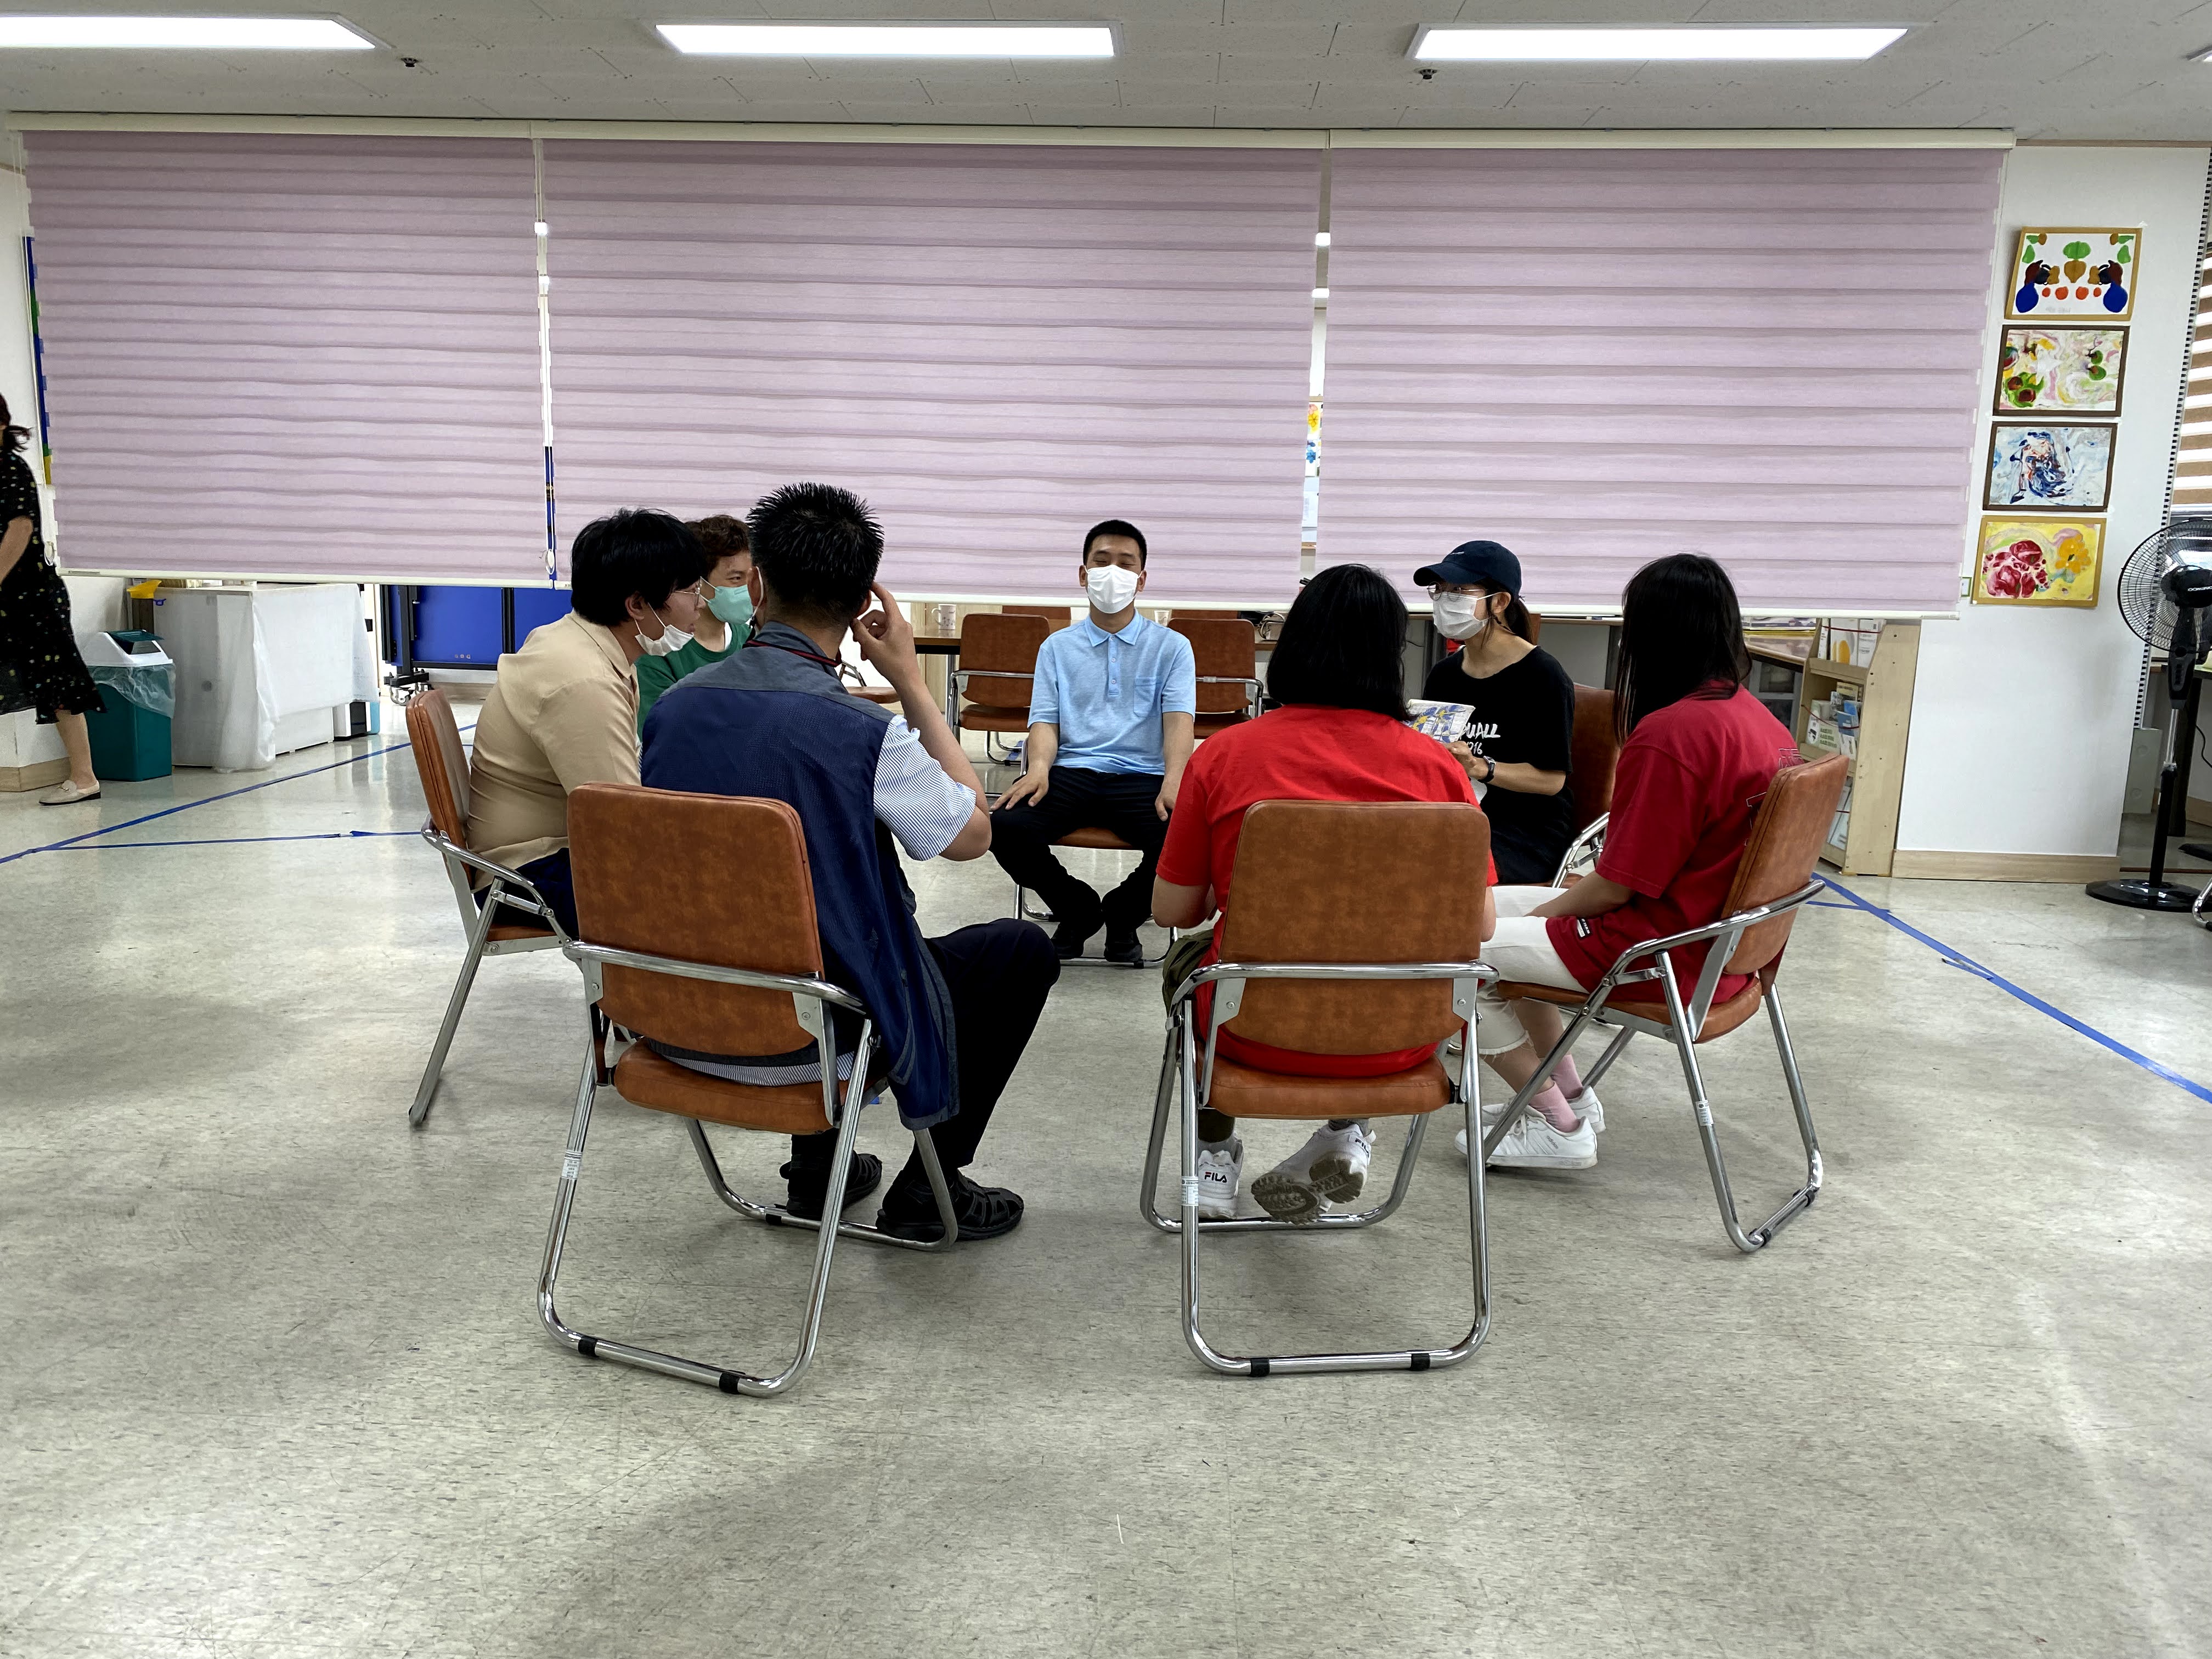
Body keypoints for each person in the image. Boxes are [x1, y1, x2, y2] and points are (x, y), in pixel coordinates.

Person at [641, 482, 1056, 1243]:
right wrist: (911, 683)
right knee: (1017, 952)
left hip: (671, 1014)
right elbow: (973, 835)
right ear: (864, 600)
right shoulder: (864, 733)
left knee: (779, 907)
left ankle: (817, 1168)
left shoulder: (673, 709)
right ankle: (930, 1191)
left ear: (756, 586)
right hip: (807, 1032)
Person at [1150, 563, 1497, 1224]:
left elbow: (1173, 910)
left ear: (1293, 646)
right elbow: (1477, 925)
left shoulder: (1225, 755)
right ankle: (1348, 1130)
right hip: (1406, 1036)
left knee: (1189, 966)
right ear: (1391, 657)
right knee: (1377, 959)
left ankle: (1214, 1157)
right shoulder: (1438, 769)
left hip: (1250, 1029)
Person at [1470, 552, 1802, 1172]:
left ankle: (1557, 1124)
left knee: (1452, 954)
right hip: (1720, 951)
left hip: (1658, 954)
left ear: (1649, 635)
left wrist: (1545, 914)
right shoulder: (1759, 721)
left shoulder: (1672, 734)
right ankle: (1569, 1092)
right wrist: (1543, 912)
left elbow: (1615, 888)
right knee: (1480, 911)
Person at [465, 508, 708, 937]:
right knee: (719, 894)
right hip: (528, 874)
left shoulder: (580, 640)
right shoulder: (583, 682)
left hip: (552, 850)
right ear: (637, 605)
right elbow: (624, 823)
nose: (701, 604)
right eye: (691, 591)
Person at [989, 519, 1198, 964]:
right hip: (1071, 773)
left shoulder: (1172, 647)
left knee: (1191, 835)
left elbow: (1179, 722)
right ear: (1084, 575)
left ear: (1142, 579)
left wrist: (1175, 779)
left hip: (1143, 776)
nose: (1113, 573)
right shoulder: (1057, 647)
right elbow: (1045, 720)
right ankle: (1077, 909)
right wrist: (1038, 769)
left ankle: (1124, 914)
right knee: (1003, 826)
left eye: (1126, 564)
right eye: (1102, 562)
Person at [1419, 540, 1579, 885]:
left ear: (1500, 602)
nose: (1445, 600)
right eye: (1440, 590)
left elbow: (1552, 780)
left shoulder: (1542, 676)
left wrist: (1480, 767)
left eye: (1459, 591)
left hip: (1526, 835)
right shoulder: (1444, 675)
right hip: (1461, 817)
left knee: (1438, 867)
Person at [0, 395, 106, 806]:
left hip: (33, 598)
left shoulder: (11, 468)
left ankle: (84, 777)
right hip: (10, 598)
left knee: (58, 684)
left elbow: (20, 528)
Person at [633, 513, 759, 727]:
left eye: (752, 578)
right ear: (699, 581)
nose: (748, 589)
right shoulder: (660, 651)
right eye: (736, 579)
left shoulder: (751, 641)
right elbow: (659, 733)